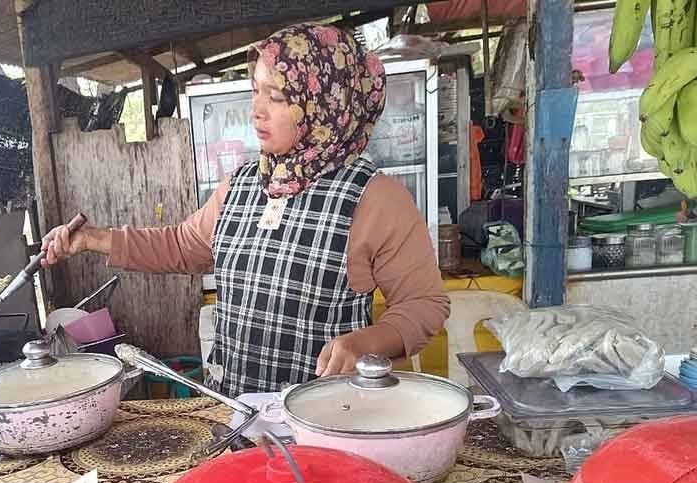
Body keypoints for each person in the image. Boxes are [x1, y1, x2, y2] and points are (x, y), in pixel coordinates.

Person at [42, 23, 449, 396]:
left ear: (325, 103)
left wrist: (365, 342)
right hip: (238, 414)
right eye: (255, 90)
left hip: (325, 420)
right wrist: (94, 238)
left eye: (277, 96)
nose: (256, 109)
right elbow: (183, 245)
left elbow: (424, 304)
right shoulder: (241, 185)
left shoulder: (375, 198)